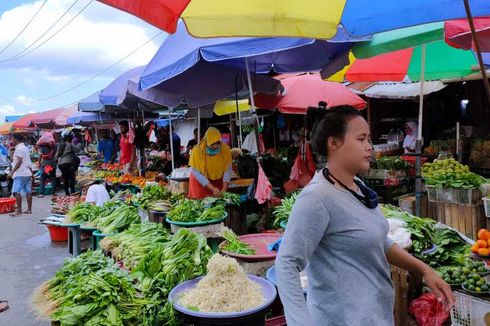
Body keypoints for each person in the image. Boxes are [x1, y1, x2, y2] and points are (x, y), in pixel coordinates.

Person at [275, 106, 454, 326]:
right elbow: (286, 264)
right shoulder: (317, 198)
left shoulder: (356, 186)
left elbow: (378, 241)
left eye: (369, 139)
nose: (369, 146)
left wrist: (423, 269)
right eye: (361, 139)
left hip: (376, 317)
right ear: (334, 143)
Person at [188, 127, 232, 199]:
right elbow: (196, 173)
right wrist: (212, 188)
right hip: (200, 183)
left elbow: (228, 170)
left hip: (218, 182)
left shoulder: (225, 149)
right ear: (206, 141)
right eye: (212, 144)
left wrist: (224, 188)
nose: (215, 146)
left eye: (218, 143)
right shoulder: (197, 151)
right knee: (200, 206)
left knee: (218, 205)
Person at [8, 134, 33, 216]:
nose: (12, 141)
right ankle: (29, 210)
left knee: (15, 192)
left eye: (12, 139)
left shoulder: (19, 149)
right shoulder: (24, 148)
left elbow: (19, 161)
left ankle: (19, 210)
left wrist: (12, 172)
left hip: (20, 173)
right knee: (28, 191)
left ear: (15, 139)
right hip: (26, 173)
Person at [55, 131, 80, 196]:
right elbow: (78, 150)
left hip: (61, 164)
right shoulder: (70, 144)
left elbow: (56, 156)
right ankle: (72, 191)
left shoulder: (60, 145)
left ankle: (67, 192)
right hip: (68, 163)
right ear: (69, 138)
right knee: (72, 178)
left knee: (65, 178)